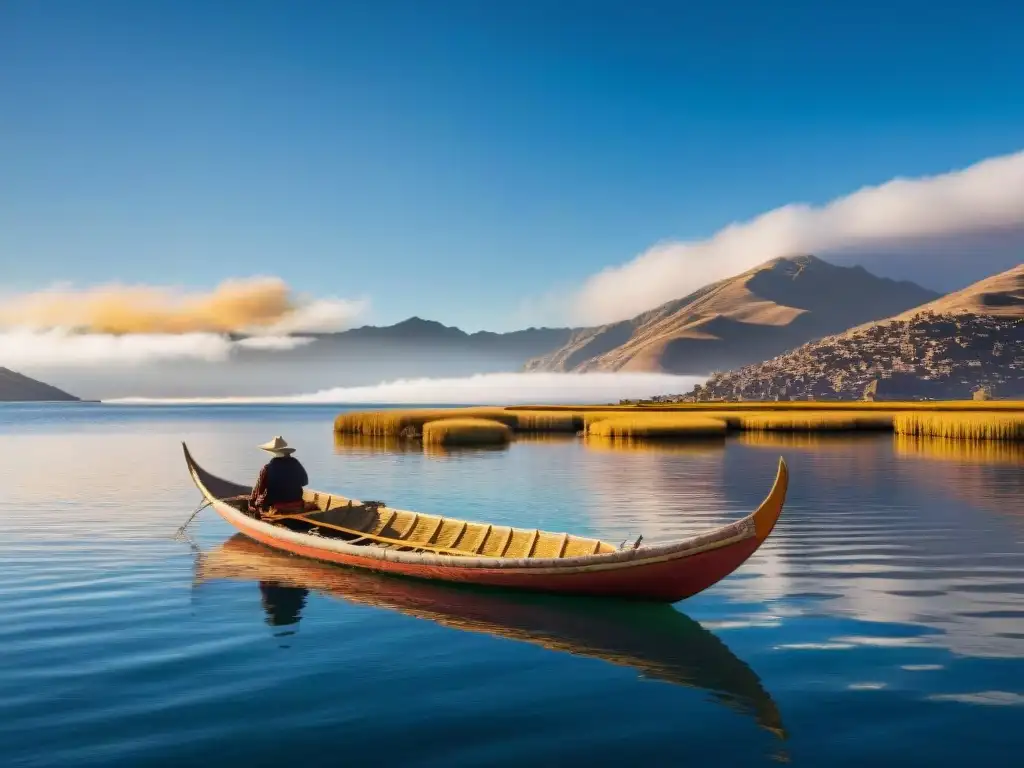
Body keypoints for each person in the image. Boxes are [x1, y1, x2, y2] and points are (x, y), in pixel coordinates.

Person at [248, 436, 310, 517]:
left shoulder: (267, 468)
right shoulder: (296, 463)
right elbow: (305, 482)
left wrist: (253, 501)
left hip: (275, 507)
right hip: (298, 503)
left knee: (256, 501)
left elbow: (259, 491)